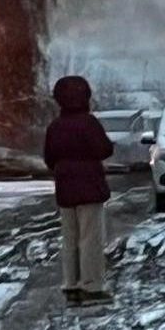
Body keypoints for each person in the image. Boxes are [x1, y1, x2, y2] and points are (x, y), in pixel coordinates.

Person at [43, 76, 114, 306]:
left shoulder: (55, 127)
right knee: (90, 237)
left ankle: (70, 285)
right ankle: (91, 287)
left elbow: (49, 157)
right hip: (90, 186)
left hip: (65, 187)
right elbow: (103, 150)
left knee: (70, 238)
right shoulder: (89, 123)